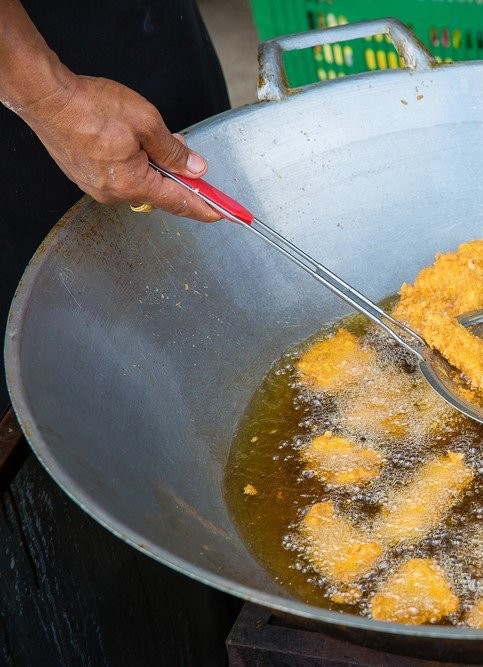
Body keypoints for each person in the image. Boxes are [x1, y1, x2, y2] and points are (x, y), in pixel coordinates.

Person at [0, 1, 239, 661]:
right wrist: (47, 94)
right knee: (72, 397)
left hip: (135, 30)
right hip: (21, 91)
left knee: (216, 304)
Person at [0, 0, 229, 399]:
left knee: (225, 279)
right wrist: (51, 98)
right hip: (22, 75)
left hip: (145, 24)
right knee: (70, 350)